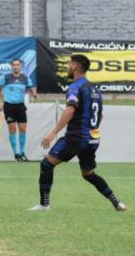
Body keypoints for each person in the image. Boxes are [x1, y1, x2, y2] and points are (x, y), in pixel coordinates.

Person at [33, 54, 126, 212]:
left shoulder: (75, 87)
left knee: (46, 164)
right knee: (88, 174)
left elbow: (70, 110)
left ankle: (44, 204)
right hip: (92, 139)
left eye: (69, 64)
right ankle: (117, 203)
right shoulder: (95, 90)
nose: (68, 66)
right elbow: (100, 115)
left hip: (76, 138)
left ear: (75, 66)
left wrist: (52, 133)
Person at [0, 58, 36, 161]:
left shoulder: (25, 78)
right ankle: (16, 154)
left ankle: (22, 153)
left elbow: (31, 87)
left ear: (21, 66)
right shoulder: (6, 78)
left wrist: (34, 93)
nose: (16, 66)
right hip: (9, 106)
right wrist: (1, 102)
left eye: (17, 65)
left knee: (23, 130)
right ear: (11, 66)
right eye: (14, 65)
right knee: (12, 130)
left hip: (20, 106)